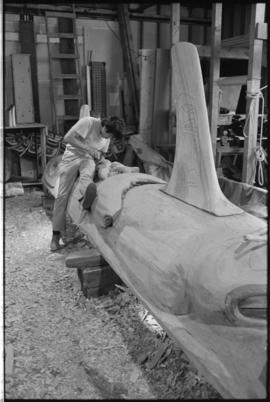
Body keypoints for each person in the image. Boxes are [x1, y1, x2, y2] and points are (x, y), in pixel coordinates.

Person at [50, 115, 125, 251]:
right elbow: (68, 137)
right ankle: (55, 237)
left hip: (88, 160)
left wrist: (100, 160)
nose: (107, 138)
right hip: (71, 159)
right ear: (104, 126)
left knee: (87, 176)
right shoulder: (89, 122)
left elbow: (101, 153)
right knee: (62, 196)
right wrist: (88, 148)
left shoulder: (107, 138)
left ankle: (86, 196)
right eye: (107, 134)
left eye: (110, 137)